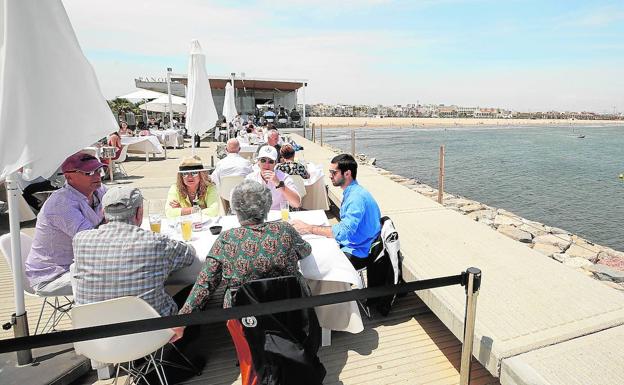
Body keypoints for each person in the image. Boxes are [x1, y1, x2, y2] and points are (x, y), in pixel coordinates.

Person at [171, 180, 311, 339]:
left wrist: (182, 319)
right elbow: (305, 250)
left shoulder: (227, 239)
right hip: (288, 311)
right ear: (267, 206)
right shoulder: (285, 229)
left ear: (236, 209)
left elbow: (206, 283)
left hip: (246, 320)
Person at [72, 186, 195, 316]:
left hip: (94, 330)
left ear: (103, 213)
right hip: (154, 331)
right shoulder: (156, 242)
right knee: (196, 288)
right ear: (139, 213)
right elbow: (189, 255)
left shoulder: (80, 240)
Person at [25, 153, 108, 295]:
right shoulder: (61, 203)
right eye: (89, 173)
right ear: (68, 177)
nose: (97, 176)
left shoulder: (98, 191)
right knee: (119, 277)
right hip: (52, 275)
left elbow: (122, 206)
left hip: (83, 265)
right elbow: (91, 241)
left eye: (98, 170)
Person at [292, 154, 381, 269]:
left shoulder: (356, 198)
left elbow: (344, 232)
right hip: (357, 243)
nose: (330, 176)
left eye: (334, 173)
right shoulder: (353, 192)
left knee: (314, 265)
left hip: (360, 252)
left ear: (347, 174)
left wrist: (310, 228)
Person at [245, 146, 301, 210]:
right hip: (257, 217)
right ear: (258, 162)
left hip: (278, 217)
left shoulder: (284, 177)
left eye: (271, 161)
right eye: (263, 160)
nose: (266, 165)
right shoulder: (250, 178)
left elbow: (296, 204)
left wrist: (278, 184)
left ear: (275, 164)